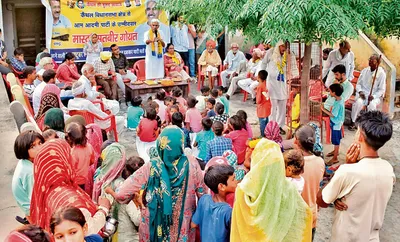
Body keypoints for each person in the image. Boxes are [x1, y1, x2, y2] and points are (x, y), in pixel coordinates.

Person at [105, 126, 206, 241]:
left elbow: (121, 193)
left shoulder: (152, 166)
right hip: (184, 226)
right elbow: (203, 194)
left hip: (154, 225)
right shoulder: (192, 163)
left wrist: (135, 197)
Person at [317, 110, 394, 242]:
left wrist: (346, 167)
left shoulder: (347, 172)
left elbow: (321, 200)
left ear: (360, 136)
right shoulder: (388, 170)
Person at [230, 139, 312, 242]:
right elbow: (304, 213)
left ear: (256, 162)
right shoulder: (289, 188)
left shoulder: (243, 190)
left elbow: (238, 224)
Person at [30, 139, 111, 233]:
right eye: (68, 154)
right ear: (62, 160)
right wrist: (103, 209)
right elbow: (88, 229)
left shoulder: (49, 191)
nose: (72, 159)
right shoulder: (69, 198)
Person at [259, 41, 299, 135]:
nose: (283, 48)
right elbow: (263, 64)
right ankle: (271, 127)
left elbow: (293, 68)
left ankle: (279, 126)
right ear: (278, 45)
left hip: (283, 84)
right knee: (272, 107)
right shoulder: (271, 52)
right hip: (271, 84)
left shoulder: (289, 54)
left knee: (282, 106)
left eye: (285, 46)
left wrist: (293, 78)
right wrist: (262, 78)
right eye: (282, 46)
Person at [294, 125, 325, 240]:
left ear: (296, 141)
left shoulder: (293, 163)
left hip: (296, 213)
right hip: (312, 212)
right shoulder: (320, 161)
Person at [192, 165, 236, 242]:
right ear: (222, 186)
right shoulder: (228, 211)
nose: (236, 182)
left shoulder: (204, 199)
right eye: (233, 179)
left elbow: (193, 224)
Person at [12, 131, 44, 223]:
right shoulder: (29, 172)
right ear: (24, 150)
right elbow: (34, 199)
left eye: (40, 143)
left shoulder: (25, 162)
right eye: (32, 146)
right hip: (33, 211)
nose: (39, 148)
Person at [349, 54, 386, 130]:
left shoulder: (381, 74)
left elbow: (381, 89)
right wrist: (360, 92)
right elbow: (358, 84)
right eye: (370, 60)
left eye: (373, 61)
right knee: (358, 102)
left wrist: (374, 96)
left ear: (378, 63)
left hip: (374, 96)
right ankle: (353, 121)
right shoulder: (364, 71)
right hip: (363, 94)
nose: (370, 62)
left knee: (372, 105)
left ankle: (370, 125)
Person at [116, 156, 144, 242]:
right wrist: (141, 205)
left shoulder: (121, 185)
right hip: (130, 239)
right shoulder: (130, 192)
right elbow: (137, 221)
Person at [65, 122, 96, 190]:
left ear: (71, 138)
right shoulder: (89, 147)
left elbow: (70, 169)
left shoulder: (73, 152)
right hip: (84, 179)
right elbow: (92, 161)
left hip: (74, 181)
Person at [321, 83, 345, 165]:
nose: (329, 93)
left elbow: (332, 114)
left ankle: (335, 158)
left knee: (336, 141)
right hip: (338, 122)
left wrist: (322, 109)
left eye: (330, 91)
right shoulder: (339, 99)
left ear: (334, 93)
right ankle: (335, 151)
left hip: (336, 124)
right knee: (337, 139)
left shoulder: (338, 104)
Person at [255, 70, 271, 135]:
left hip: (262, 107)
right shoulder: (267, 84)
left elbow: (258, 100)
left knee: (262, 122)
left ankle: (262, 136)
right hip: (267, 105)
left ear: (258, 77)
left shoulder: (259, 86)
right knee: (266, 121)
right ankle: (267, 134)